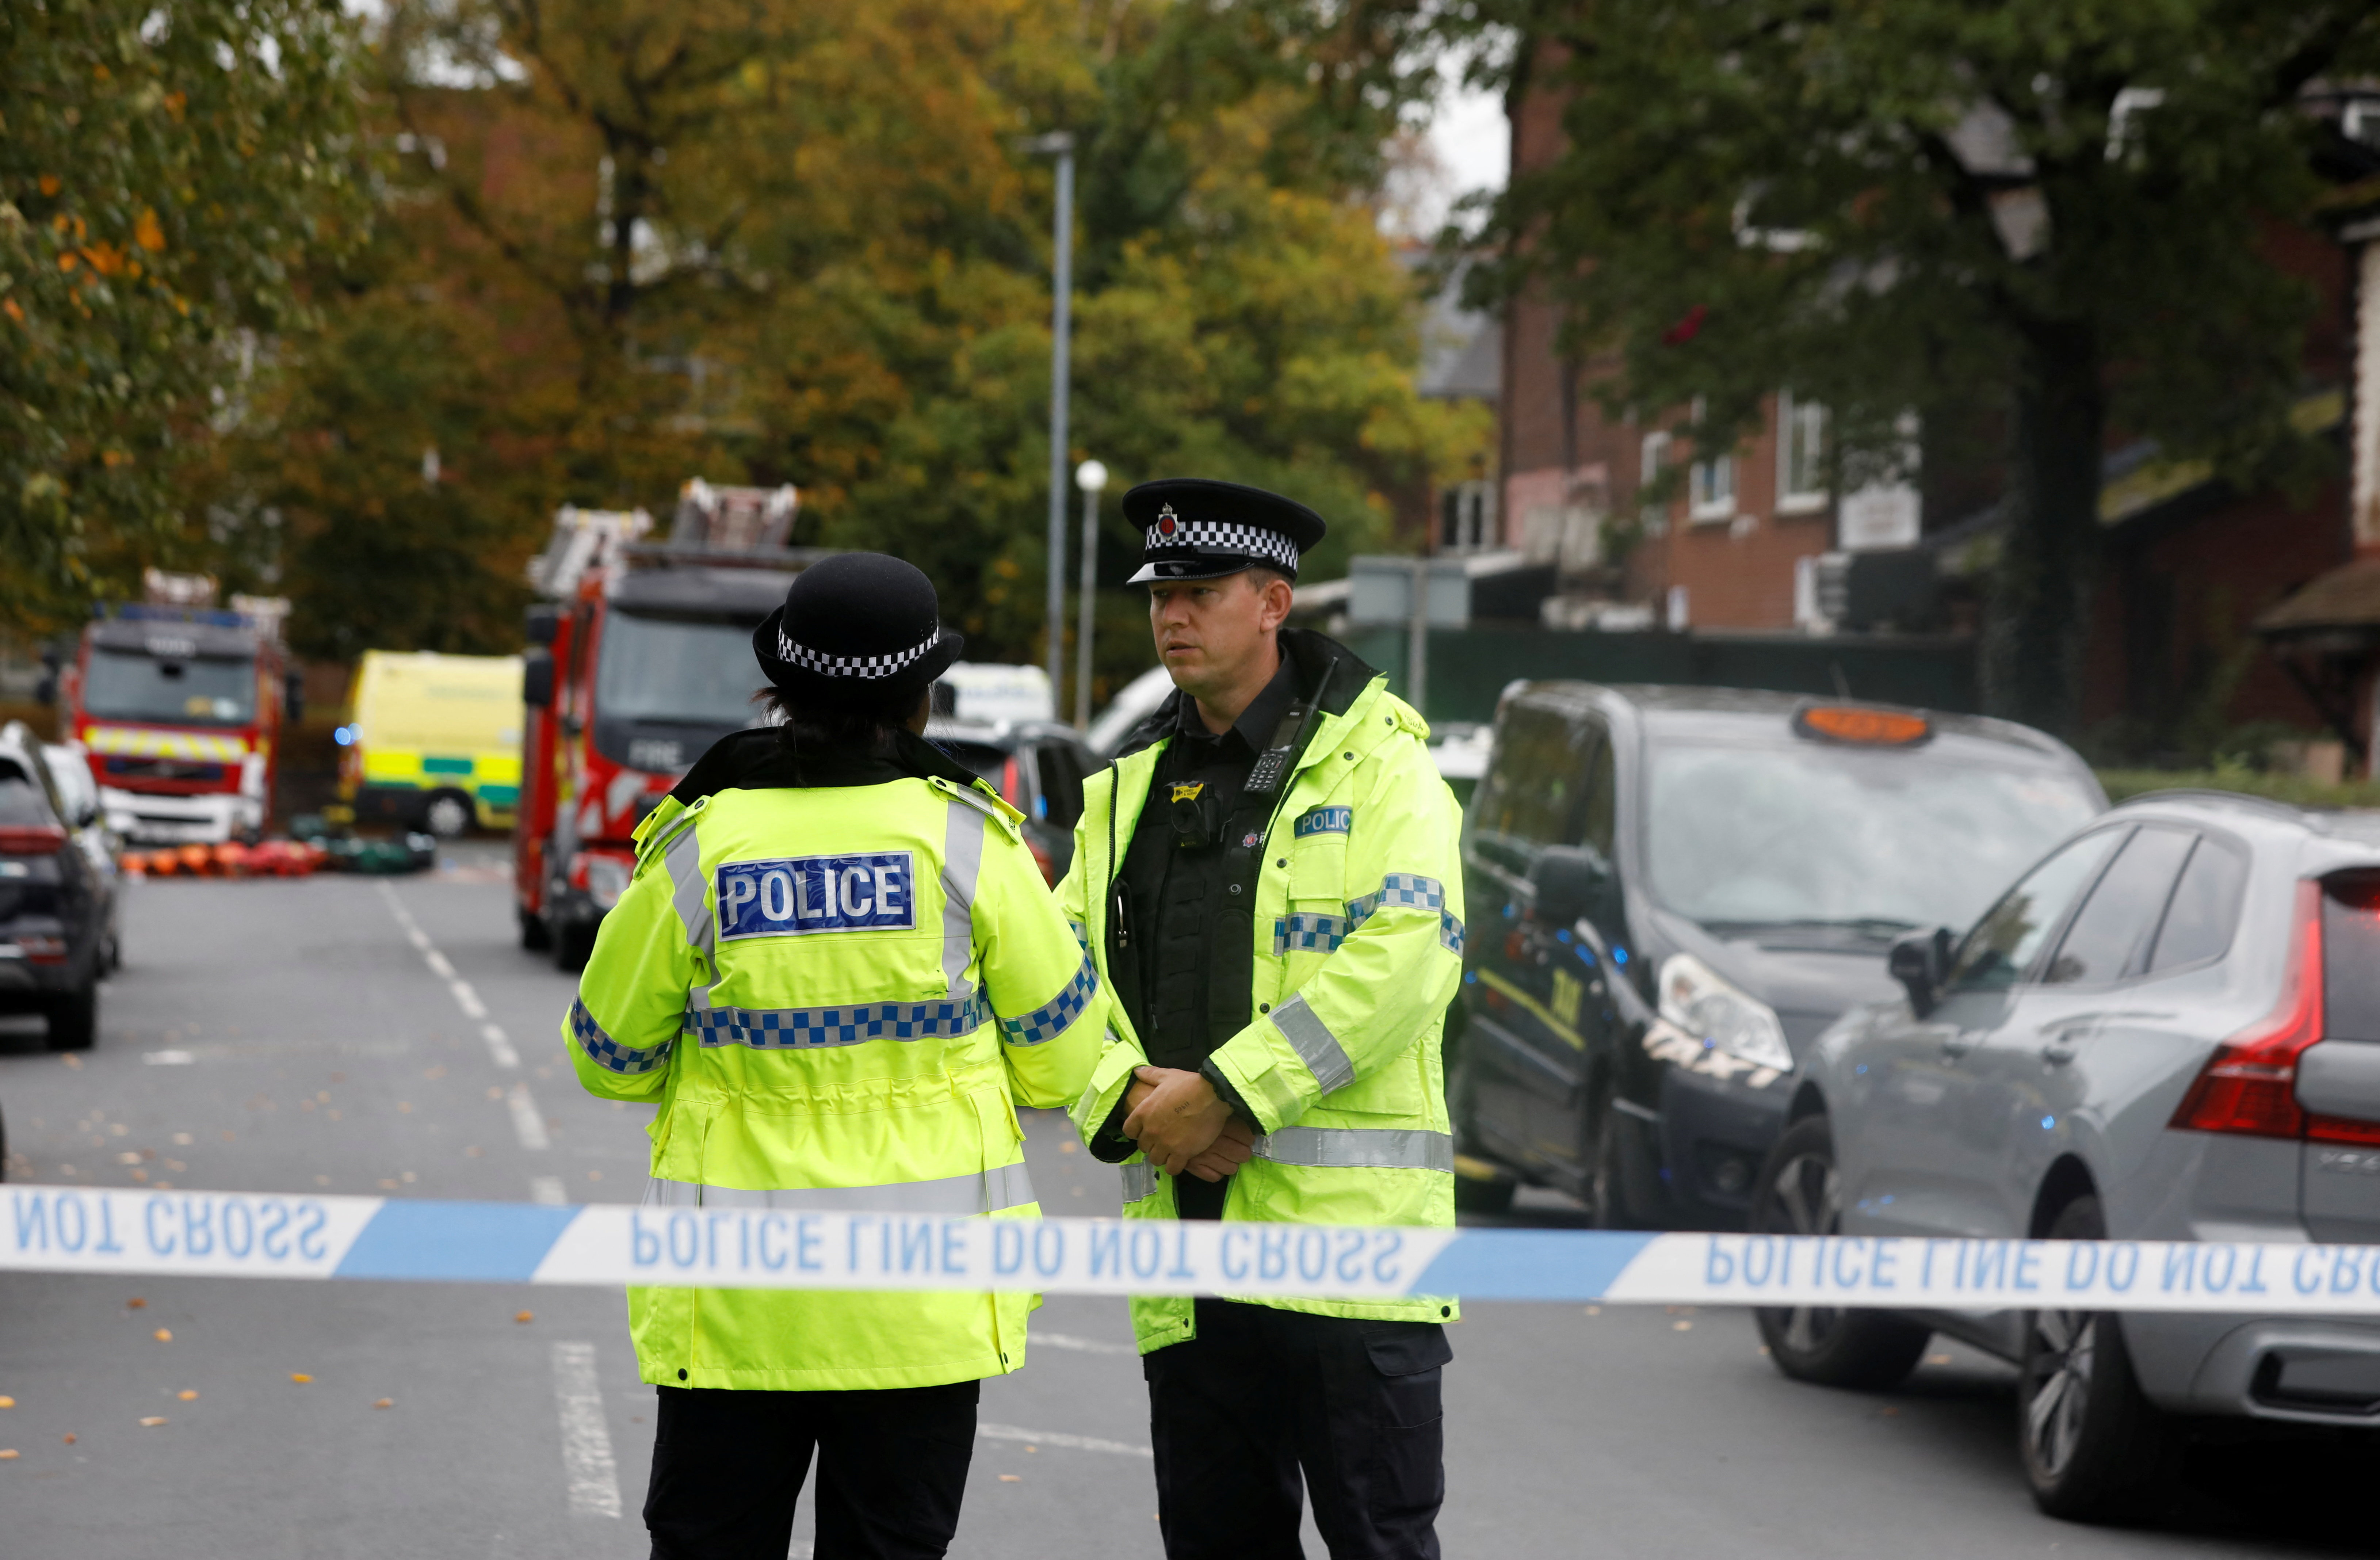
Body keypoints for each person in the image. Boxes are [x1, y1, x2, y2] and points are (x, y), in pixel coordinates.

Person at [565, 552, 1104, 1560]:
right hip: (920, 1319)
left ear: (781, 689)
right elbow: (1065, 1068)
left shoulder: (701, 843)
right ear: (920, 698)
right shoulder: (972, 843)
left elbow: (606, 1056)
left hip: (734, 1313)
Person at [1060, 479, 1467, 1559]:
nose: (1170, 616)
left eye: (1198, 591)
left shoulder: (1384, 763)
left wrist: (1229, 1095)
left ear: (1275, 601)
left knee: (1380, 1544)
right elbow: (1053, 985)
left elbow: (1408, 959)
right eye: (1160, 594)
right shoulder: (1127, 788)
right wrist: (1133, 1102)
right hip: (1190, 1265)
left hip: (1353, 1266)